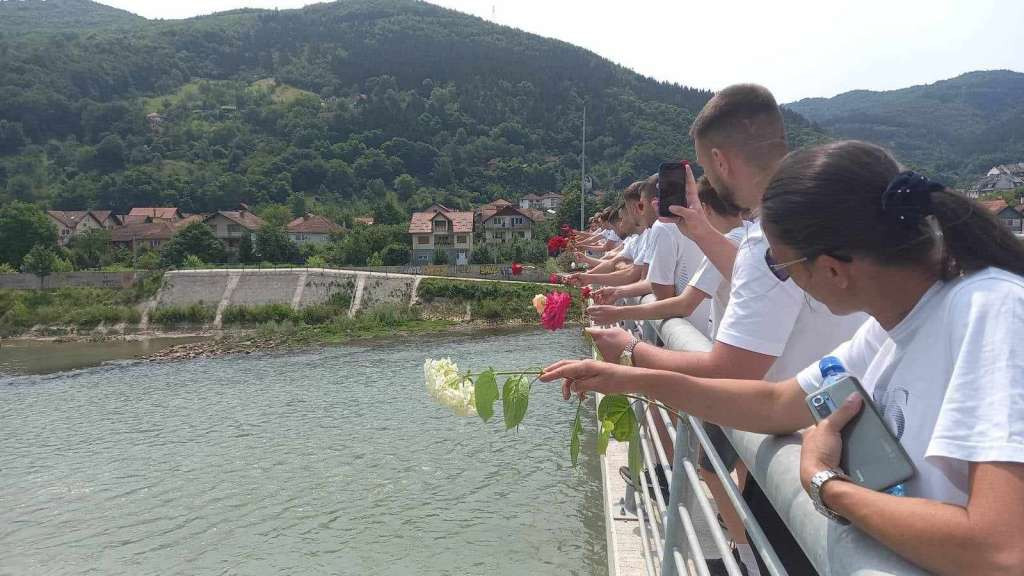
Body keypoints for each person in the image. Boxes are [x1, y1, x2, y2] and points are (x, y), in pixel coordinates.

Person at [543, 140, 1024, 576]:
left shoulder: (991, 312)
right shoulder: (891, 325)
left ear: (832, 269)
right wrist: (626, 376)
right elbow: (775, 403)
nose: (783, 280)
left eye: (781, 265)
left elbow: (998, 549)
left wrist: (826, 485)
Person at [583, 84, 868, 575]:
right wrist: (700, 231)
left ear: (718, 160)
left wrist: (630, 353)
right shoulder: (816, 216)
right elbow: (766, 284)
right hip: (847, 428)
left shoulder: (769, 242)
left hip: (811, 447)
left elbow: (732, 366)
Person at [588, 176, 747, 338]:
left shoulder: (721, 244)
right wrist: (618, 292)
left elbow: (682, 303)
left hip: (700, 336)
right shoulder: (751, 235)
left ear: (704, 208)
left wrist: (619, 313)